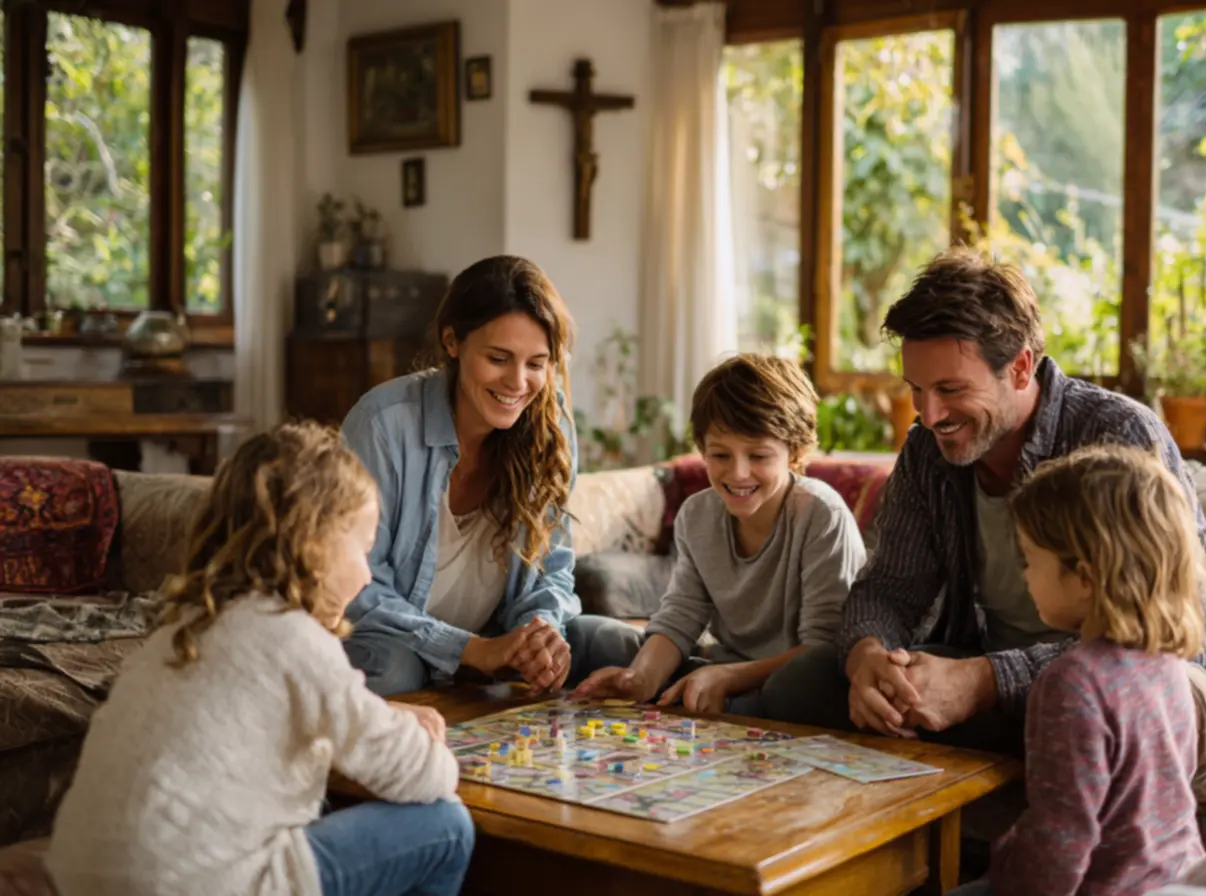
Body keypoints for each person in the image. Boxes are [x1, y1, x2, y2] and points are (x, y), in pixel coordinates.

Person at [763, 247, 1206, 769]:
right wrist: (869, 661)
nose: (928, 415)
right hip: (989, 675)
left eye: (950, 389)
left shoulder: (1117, 435)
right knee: (801, 687)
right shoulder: (927, 449)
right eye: (916, 390)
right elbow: (889, 588)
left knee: (1096, 705)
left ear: (1020, 366)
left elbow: (1153, 628)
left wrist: (985, 681)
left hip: (1154, 673)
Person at [44, 422, 474, 896]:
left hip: (78, 876)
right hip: (199, 884)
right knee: (446, 824)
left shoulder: (183, 626)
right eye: (364, 550)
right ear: (314, 541)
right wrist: (434, 752)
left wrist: (379, 715)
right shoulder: (291, 634)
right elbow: (420, 775)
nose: (367, 574)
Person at [948, 444, 1206, 896]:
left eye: (1030, 559)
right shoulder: (1167, 664)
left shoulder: (1074, 683)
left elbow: (1060, 844)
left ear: (1084, 577)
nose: (1025, 576)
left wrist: (1005, 863)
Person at [340, 255, 584, 697]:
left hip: (497, 637)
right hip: (395, 640)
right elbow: (356, 587)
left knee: (611, 643)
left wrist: (540, 632)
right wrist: (471, 650)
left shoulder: (552, 427)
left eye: (537, 363)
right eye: (498, 358)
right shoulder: (383, 424)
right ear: (452, 341)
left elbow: (555, 570)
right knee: (395, 673)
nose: (518, 382)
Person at [571, 353, 867, 716]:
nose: (738, 473)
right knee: (588, 635)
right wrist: (640, 678)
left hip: (791, 678)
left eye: (759, 456)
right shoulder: (697, 515)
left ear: (795, 452)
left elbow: (825, 646)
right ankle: (701, 692)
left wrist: (727, 677)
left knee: (801, 683)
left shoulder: (822, 515)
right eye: (720, 455)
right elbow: (681, 615)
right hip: (720, 666)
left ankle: (715, 694)